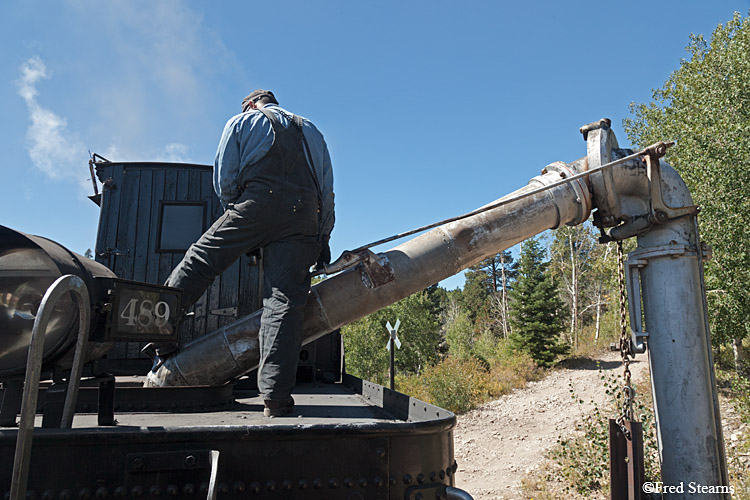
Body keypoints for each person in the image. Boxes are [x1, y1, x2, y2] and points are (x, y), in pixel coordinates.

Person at [161, 89, 334, 417]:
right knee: (284, 302)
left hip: (256, 201)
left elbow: (225, 179)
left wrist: (240, 217)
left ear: (252, 104)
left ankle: (160, 333)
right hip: (303, 216)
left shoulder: (243, 122)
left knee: (202, 259)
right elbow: (326, 189)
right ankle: (275, 398)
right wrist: (322, 236)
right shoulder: (312, 130)